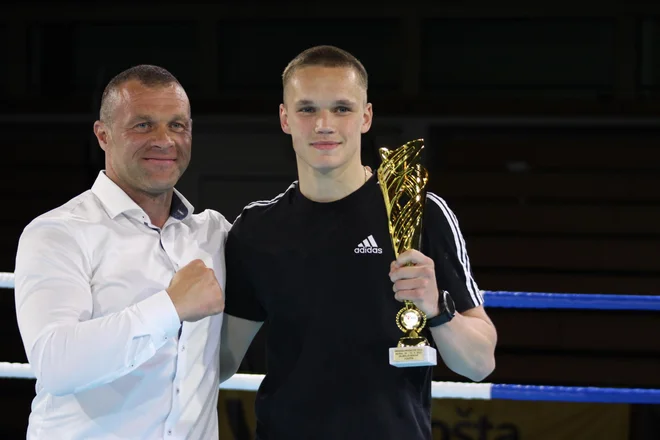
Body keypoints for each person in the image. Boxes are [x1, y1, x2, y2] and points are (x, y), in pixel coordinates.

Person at [219, 45, 498, 439]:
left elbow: (480, 363)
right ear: (285, 118)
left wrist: (437, 310)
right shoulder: (255, 230)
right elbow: (221, 362)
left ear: (366, 117)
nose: (324, 124)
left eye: (342, 109)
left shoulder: (419, 212)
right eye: (307, 109)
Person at [14, 65, 229, 440]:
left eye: (177, 125)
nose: (164, 140)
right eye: (143, 125)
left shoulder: (213, 234)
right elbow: (55, 364)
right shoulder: (58, 233)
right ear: (103, 135)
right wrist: (170, 307)